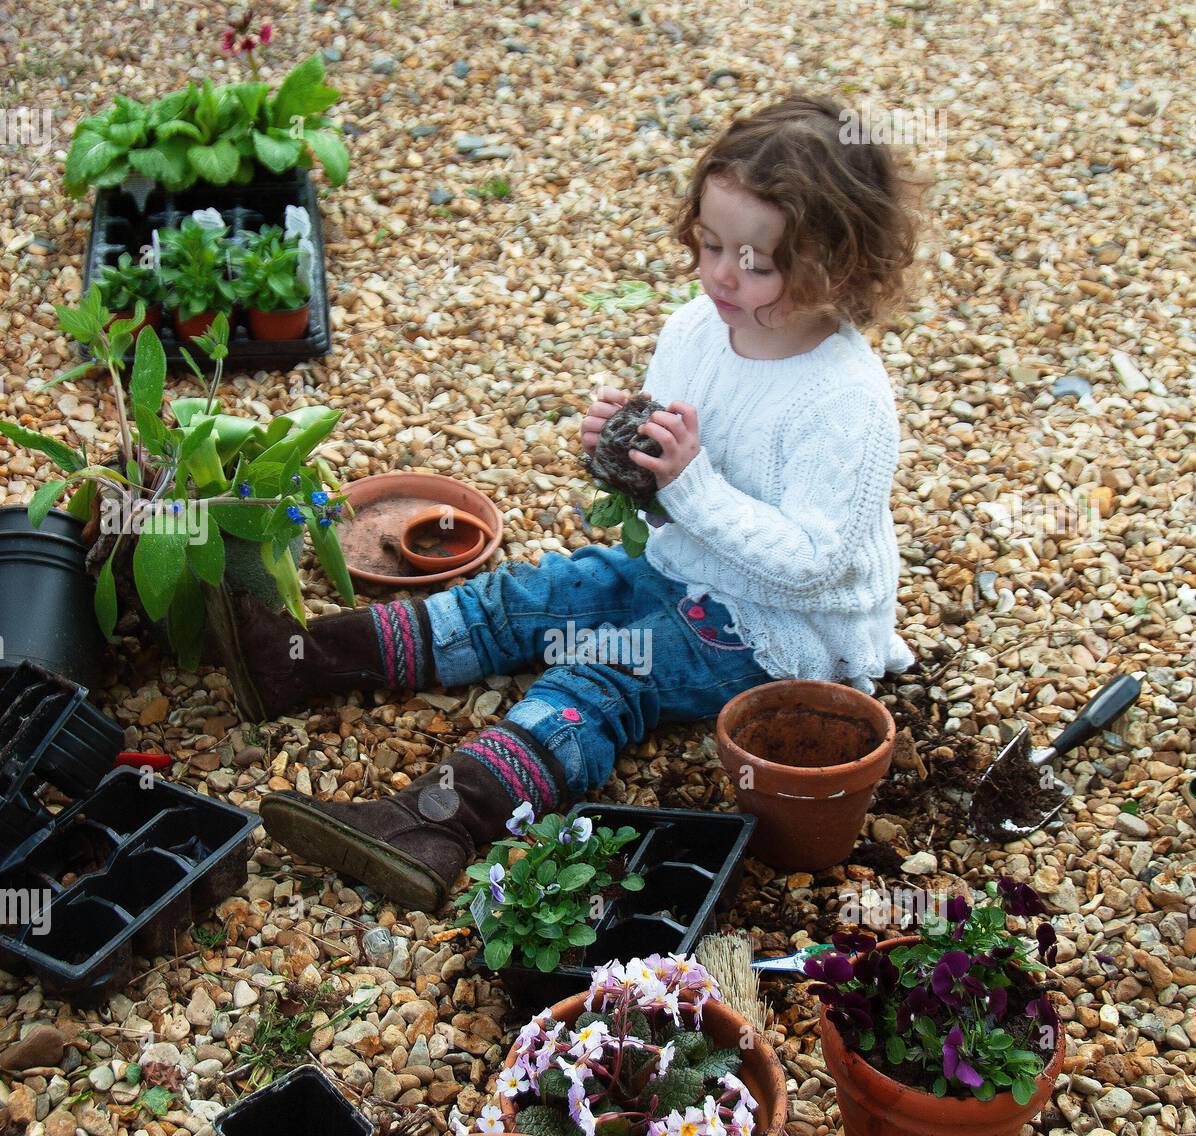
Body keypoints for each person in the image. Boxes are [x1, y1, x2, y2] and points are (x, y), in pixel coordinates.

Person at [212, 93, 923, 912]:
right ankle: (301, 659)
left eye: (757, 261)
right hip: (682, 563)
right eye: (711, 243)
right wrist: (623, 454)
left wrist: (690, 483)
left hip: (776, 630)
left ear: (838, 263)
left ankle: (434, 822)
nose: (724, 273)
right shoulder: (698, 327)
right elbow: (670, 476)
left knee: (605, 673)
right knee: (527, 597)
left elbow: (813, 565)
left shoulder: (843, 398)